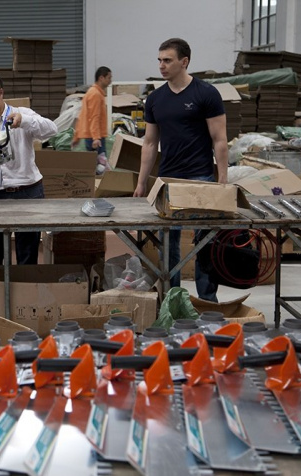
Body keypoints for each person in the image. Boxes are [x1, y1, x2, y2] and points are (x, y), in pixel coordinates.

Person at [132, 38, 228, 302]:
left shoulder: (206, 94)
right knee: (168, 242)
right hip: (168, 180)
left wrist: (223, 179)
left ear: (184, 62)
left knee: (205, 241)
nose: (161, 65)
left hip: (201, 178)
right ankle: (173, 298)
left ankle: (207, 301)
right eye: (159, 60)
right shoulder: (155, 99)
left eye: (168, 60)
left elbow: (219, 139)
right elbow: (149, 143)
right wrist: (141, 182)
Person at [0, 71, 58, 282]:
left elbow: (52, 129)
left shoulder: (21, 114)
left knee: (27, 255)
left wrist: (25, 121)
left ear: (0, 93)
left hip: (29, 192)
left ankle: (23, 298)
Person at [72, 66, 112, 157]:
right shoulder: (95, 94)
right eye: (109, 78)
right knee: (99, 164)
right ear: (101, 78)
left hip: (92, 136)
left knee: (95, 163)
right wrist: (96, 138)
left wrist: (76, 137)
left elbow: (82, 116)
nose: (110, 81)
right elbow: (94, 117)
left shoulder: (92, 92)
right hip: (95, 138)